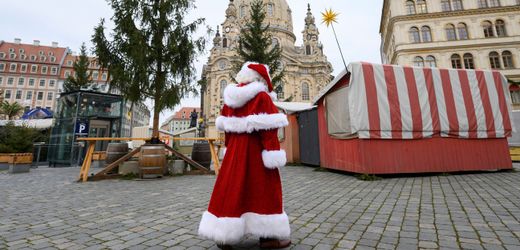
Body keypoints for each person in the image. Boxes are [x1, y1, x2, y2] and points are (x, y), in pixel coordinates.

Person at [198, 62, 291, 249]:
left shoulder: (230, 98)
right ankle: (269, 237)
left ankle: (224, 236)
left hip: (235, 152)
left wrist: (230, 149)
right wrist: (272, 154)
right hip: (256, 152)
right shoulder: (262, 97)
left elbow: (227, 131)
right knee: (264, 190)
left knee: (231, 189)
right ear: (262, 79)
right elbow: (269, 130)